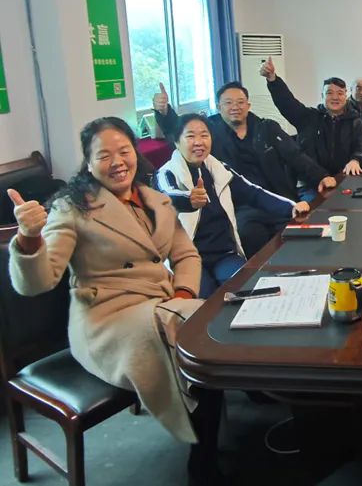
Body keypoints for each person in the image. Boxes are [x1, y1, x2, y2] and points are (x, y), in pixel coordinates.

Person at [6, 117, 224, 485]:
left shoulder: (155, 199)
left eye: (124, 151)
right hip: (106, 322)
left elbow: (186, 254)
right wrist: (29, 238)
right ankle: (203, 467)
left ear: (135, 153)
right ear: (89, 163)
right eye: (104, 155)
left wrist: (183, 293)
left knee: (202, 342)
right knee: (198, 342)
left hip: (162, 308)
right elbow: (38, 282)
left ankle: (207, 450)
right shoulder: (71, 208)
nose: (117, 162)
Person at [153, 81, 335, 256]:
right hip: (240, 207)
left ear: (248, 106)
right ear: (218, 107)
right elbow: (182, 133)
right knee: (251, 236)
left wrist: (321, 176)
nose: (235, 107)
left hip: (276, 198)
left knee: (304, 234)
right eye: (228, 103)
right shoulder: (211, 133)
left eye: (240, 102)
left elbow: (296, 155)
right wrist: (165, 113)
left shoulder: (267, 128)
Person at [155, 114, 311, 298]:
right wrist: (189, 200)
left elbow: (253, 193)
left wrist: (291, 207)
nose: (198, 142)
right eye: (190, 136)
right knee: (206, 302)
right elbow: (168, 196)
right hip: (188, 259)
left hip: (224, 254)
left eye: (204, 135)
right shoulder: (166, 173)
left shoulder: (218, 169)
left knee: (248, 289)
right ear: (176, 142)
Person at [259, 59, 362, 180]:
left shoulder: (356, 123)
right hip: (313, 181)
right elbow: (287, 103)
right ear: (322, 96)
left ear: (346, 96)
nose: (335, 97)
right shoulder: (308, 117)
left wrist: (356, 160)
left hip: (344, 178)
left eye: (340, 93)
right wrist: (272, 79)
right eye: (329, 93)